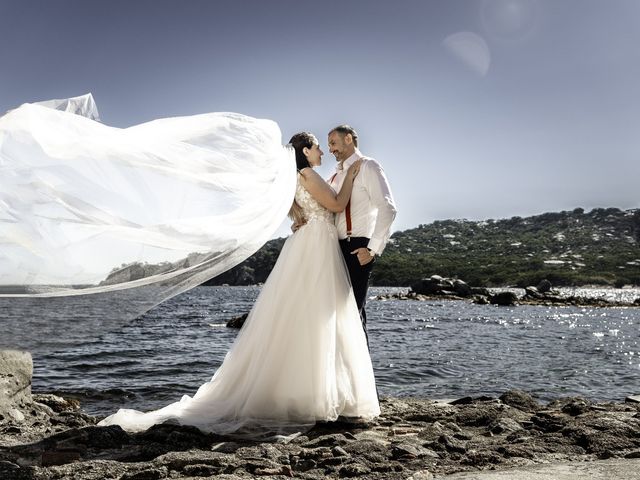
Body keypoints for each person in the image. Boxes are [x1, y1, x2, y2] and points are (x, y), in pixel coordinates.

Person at [98, 132, 380, 438]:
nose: (322, 152)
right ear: (305, 151)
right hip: (317, 247)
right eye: (317, 148)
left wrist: (299, 215)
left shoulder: (292, 179)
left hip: (307, 244)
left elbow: (297, 211)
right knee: (321, 316)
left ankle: (305, 392)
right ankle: (318, 393)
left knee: (303, 316)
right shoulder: (307, 174)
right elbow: (337, 205)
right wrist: (352, 176)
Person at [327, 125, 397, 341]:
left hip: (357, 247)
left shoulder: (369, 166)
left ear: (348, 139)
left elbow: (388, 208)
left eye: (333, 143)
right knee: (336, 319)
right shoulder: (335, 177)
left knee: (353, 318)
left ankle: (361, 375)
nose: (330, 149)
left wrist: (372, 249)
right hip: (334, 249)